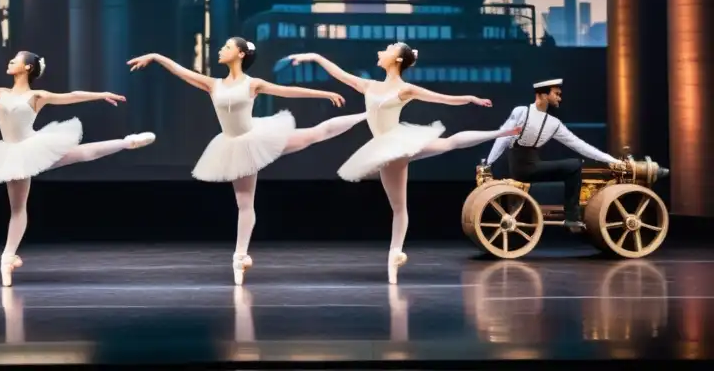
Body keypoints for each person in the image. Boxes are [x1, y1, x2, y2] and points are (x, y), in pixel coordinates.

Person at [127, 37, 365, 285]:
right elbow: (181, 71)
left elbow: (287, 91)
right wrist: (156, 56)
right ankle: (240, 257)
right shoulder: (212, 84)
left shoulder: (253, 84)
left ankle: (367, 115)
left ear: (240, 54)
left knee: (314, 134)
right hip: (234, 145)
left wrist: (323, 93)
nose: (221, 49)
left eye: (227, 47)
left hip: (257, 138)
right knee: (244, 204)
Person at [0, 50, 155, 286]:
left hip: (34, 146)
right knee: (17, 209)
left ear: (27, 67)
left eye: (15, 59)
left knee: (82, 153)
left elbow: (72, 95)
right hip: (13, 153)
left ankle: (127, 142)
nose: (9, 62)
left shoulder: (37, 96)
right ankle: (7, 259)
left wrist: (100, 94)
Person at [287, 44, 521, 284]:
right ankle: (395, 254)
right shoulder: (370, 85)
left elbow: (442, 99)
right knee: (408, 196)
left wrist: (469, 98)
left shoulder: (405, 89)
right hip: (392, 145)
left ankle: (502, 133)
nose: (380, 52)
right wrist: (315, 56)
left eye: (387, 49)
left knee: (432, 165)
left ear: (397, 59)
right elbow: (340, 74)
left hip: (396, 144)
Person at [483, 78, 625, 230]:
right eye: (556, 94)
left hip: (529, 166)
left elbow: (580, 145)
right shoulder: (521, 112)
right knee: (575, 165)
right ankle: (572, 216)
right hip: (523, 167)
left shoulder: (553, 123)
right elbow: (502, 138)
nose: (560, 98)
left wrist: (610, 159)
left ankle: (571, 216)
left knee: (575, 164)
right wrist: (488, 163)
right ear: (543, 95)